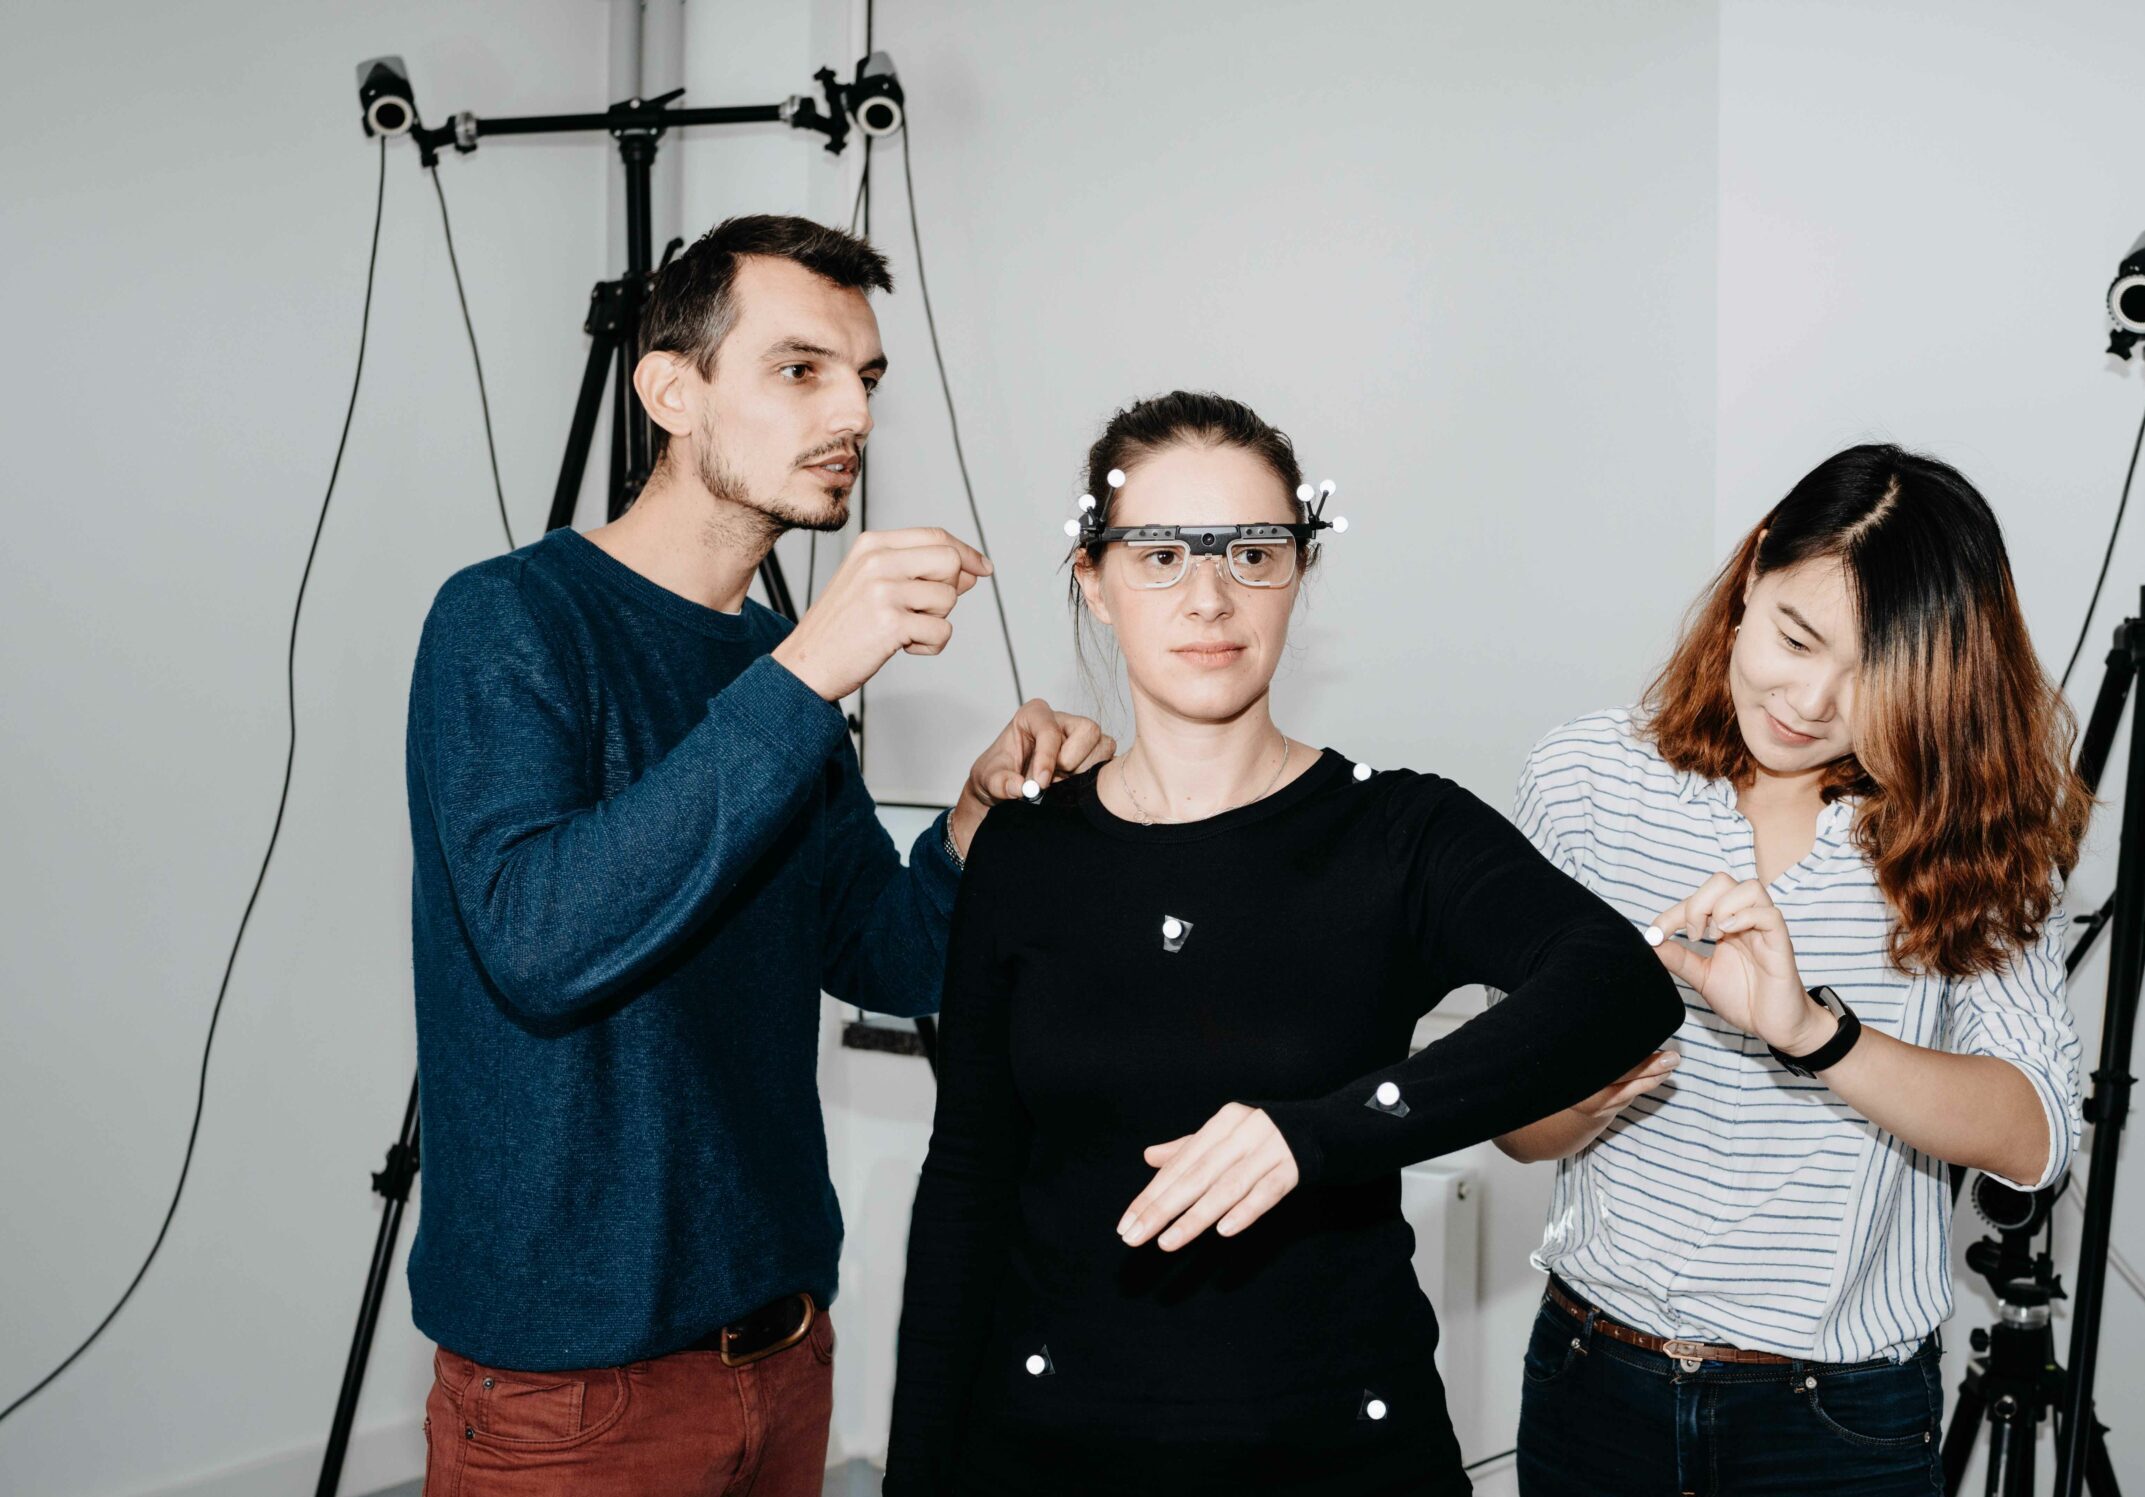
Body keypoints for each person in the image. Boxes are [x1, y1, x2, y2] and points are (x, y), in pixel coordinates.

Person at [406, 214, 1112, 1497]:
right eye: (800, 370)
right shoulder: (507, 619)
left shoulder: (769, 669)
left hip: (783, 1351)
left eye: (866, 378)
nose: (852, 412)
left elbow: (887, 958)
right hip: (569, 1389)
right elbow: (540, 945)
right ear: (672, 389)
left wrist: (973, 820)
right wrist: (807, 674)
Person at [883, 391, 1683, 1495]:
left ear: (1298, 573)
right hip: (1048, 1450)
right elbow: (968, 1180)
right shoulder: (1024, 852)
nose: (1208, 596)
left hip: (1338, 1452)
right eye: (1160, 554)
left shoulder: (1398, 830)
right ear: (1095, 583)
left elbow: (1617, 985)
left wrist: (1324, 1133)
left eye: (1251, 553)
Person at [1500, 443, 2092, 1496]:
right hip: (1593, 1382)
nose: (1812, 700)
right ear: (1752, 573)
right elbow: (1517, 1128)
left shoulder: (1967, 839)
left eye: (1873, 675)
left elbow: (2033, 1137)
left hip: (1833, 1422)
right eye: (1796, 635)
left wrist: (1815, 1033)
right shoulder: (1587, 781)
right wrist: (1596, 1069)